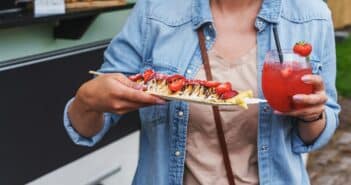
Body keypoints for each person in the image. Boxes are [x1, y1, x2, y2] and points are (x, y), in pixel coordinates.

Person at [63, 0, 340, 184]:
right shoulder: (155, 11)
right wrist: (88, 101)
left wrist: (312, 114)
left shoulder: (311, 16)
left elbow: (319, 130)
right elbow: (87, 127)